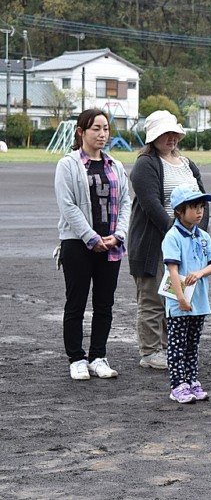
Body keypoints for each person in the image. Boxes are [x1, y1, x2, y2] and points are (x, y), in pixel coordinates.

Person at [55, 108, 131, 380]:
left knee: (104, 304)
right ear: (81, 132)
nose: (102, 134)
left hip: (110, 245)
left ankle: (98, 356)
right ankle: (76, 358)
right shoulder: (68, 165)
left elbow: (126, 202)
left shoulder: (115, 166)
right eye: (96, 128)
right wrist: (91, 237)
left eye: (105, 128)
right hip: (78, 244)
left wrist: (118, 235)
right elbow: (67, 205)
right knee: (76, 302)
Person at [129, 110, 208, 370]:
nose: (172, 138)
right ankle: (151, 351)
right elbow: (152, 205)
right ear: (154, 137)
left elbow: (202, 200)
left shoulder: (187, 163)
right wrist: (178, 233)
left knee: (176, 296)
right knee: (153, 298)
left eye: (174, 133)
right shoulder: (145, 164)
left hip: (186, 242)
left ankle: (170, 346)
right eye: (166, 134)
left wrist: (197, 234)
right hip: (154, 243)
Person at [160, 185, 211, 404]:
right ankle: (178, 385)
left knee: (193, 344)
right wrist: (181, 299)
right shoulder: (173, 237)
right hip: (179, 302)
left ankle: (192, 380)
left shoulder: (203, 236)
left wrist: (200, 272)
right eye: (194, 207)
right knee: (177, 344)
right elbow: (172, 270)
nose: (199, 212)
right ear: (179, 210)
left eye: (201, 207)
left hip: (199, 301)